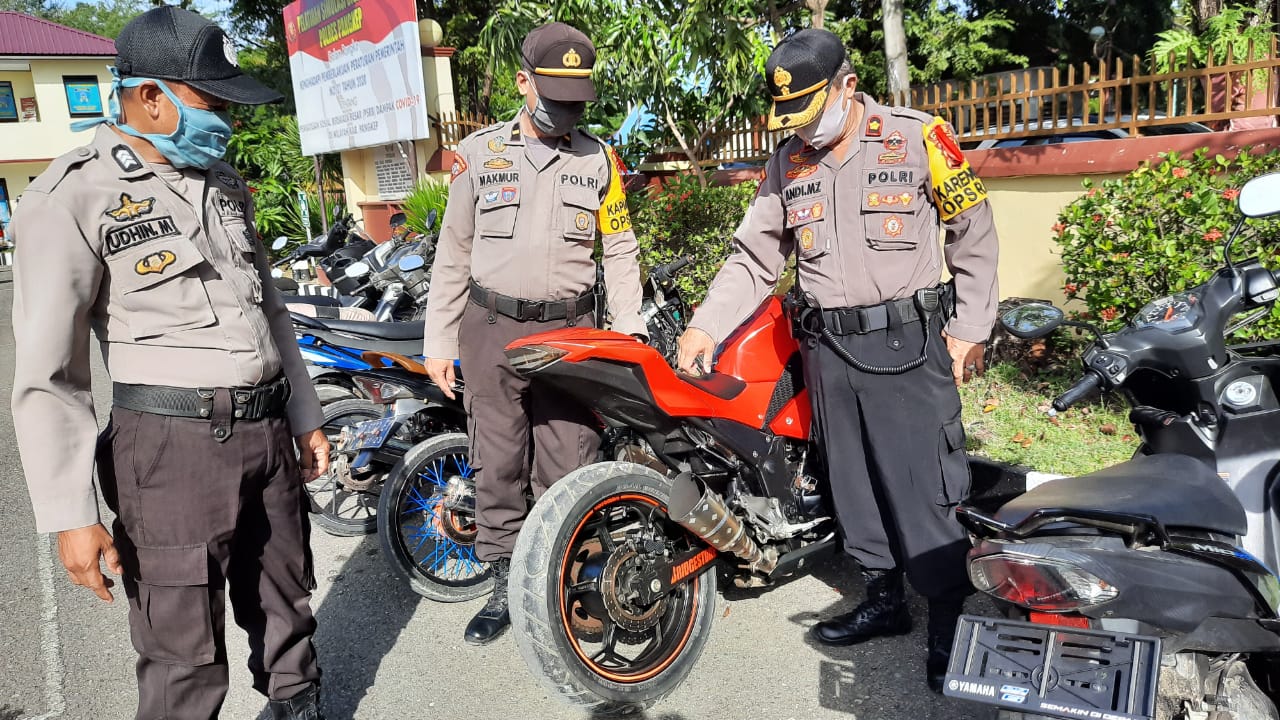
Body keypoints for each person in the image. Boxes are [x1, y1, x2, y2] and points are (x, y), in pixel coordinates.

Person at [9, 7, 330, 719]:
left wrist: (305, 416)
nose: (226, 120)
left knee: (286, 608)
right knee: (182, 653)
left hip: (267, 433)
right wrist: (71, 514)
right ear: (150, 97)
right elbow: (48, 372)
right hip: (169, 450)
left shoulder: (223, 181)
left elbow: (270, 310)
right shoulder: (70, 196)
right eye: (211, 102)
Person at [675, 28, 999, 691]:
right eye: (788, 119)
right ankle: (883, 599)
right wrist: (706, 324)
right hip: (826, 348)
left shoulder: (917, 138)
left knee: (923, 485)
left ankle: (948, 617)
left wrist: (971, 327)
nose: (801, 130)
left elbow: (974, 228)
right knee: (854, 481)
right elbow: (754, 255)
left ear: (848, 87)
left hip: (907, 344)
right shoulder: (789, 162)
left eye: (808, 111)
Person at [422, 22, 646, 645]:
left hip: (572, 332)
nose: (567, 112)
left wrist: (629, 338)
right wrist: (439, 341)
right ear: (523, 83)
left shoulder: (599, 160)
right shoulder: (480, 154)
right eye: (555, 98)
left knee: (570, 456)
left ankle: (564, 581)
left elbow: (620, 251)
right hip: (490, 328)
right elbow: (453, 250)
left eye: (577, 100)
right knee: (497, 461)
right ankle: (503, 584)